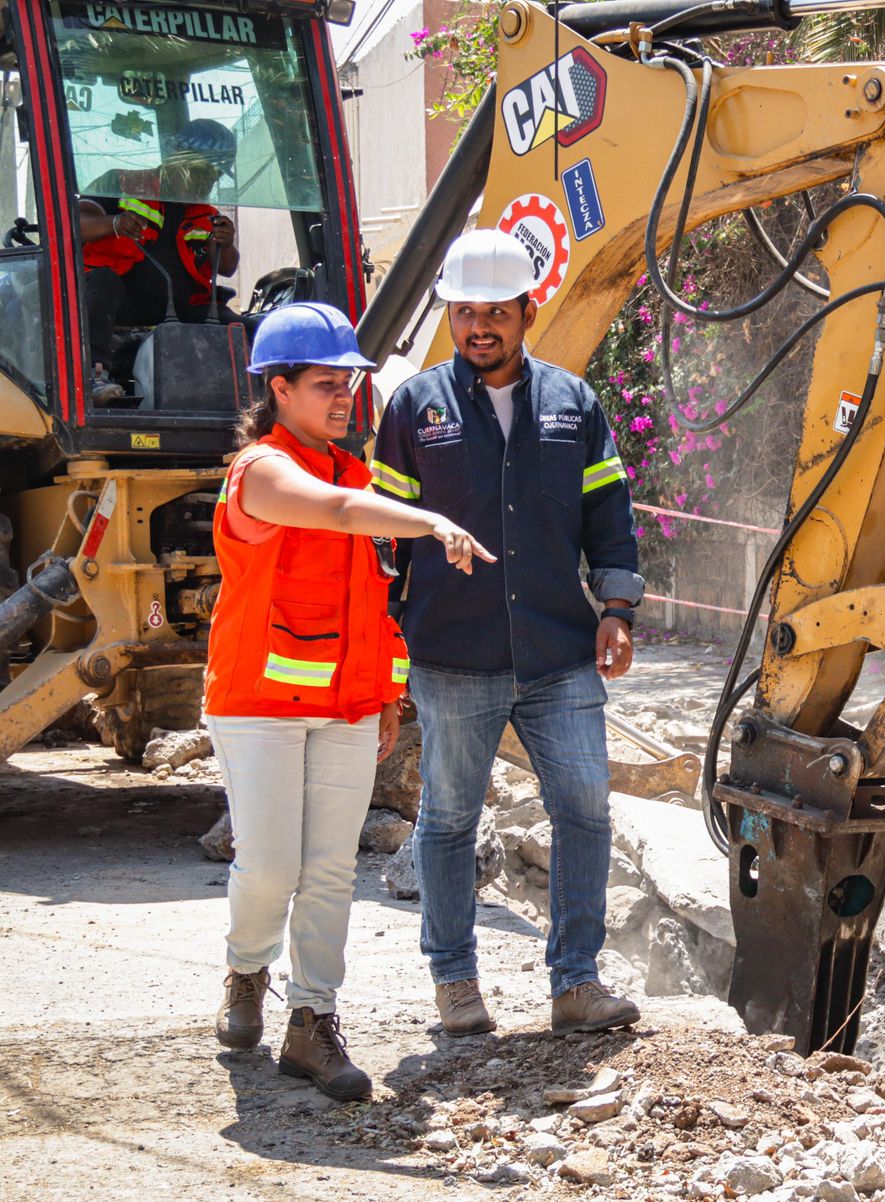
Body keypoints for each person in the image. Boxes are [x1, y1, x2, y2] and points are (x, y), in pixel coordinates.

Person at [206, 302, 492, 1100]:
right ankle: (246, 968)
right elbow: (331, 514)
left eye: (350, 384)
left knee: (331, 870)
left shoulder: (355, 474)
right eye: (327, 385)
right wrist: (432, 520)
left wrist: (386, 692)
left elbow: (375, 600)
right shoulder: (261, 471)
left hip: (345, 708)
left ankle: (312, 1020)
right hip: (258, 704)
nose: (345, 398)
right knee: (270, 869)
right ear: (280, 389)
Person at [371, 229, 646, 1038]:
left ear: (528, 310)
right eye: (464, 312)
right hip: (454, 655)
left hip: (560, 650)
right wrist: (387, 641)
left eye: (495, 311)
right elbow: (383, 539)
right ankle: (455, 982)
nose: (478, 327)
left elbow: (610, 514)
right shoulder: (416, 408)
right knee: (448, 819)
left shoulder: (573, 403)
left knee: (586, 810)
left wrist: (618, 608)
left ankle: (576, 982)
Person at [77, 118, 241, 402]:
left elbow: (227, 267)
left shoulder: (207, 214)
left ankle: (256, 393)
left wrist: (226, 243)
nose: (206, 182)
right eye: (200, 171)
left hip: (180, 310)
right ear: (174, 158)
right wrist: (113, 223)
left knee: (239, 327)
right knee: (102, 281)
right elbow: (72, 225)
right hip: (120, 304)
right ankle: (93, 375)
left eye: (214, 175)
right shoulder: (120, 183)